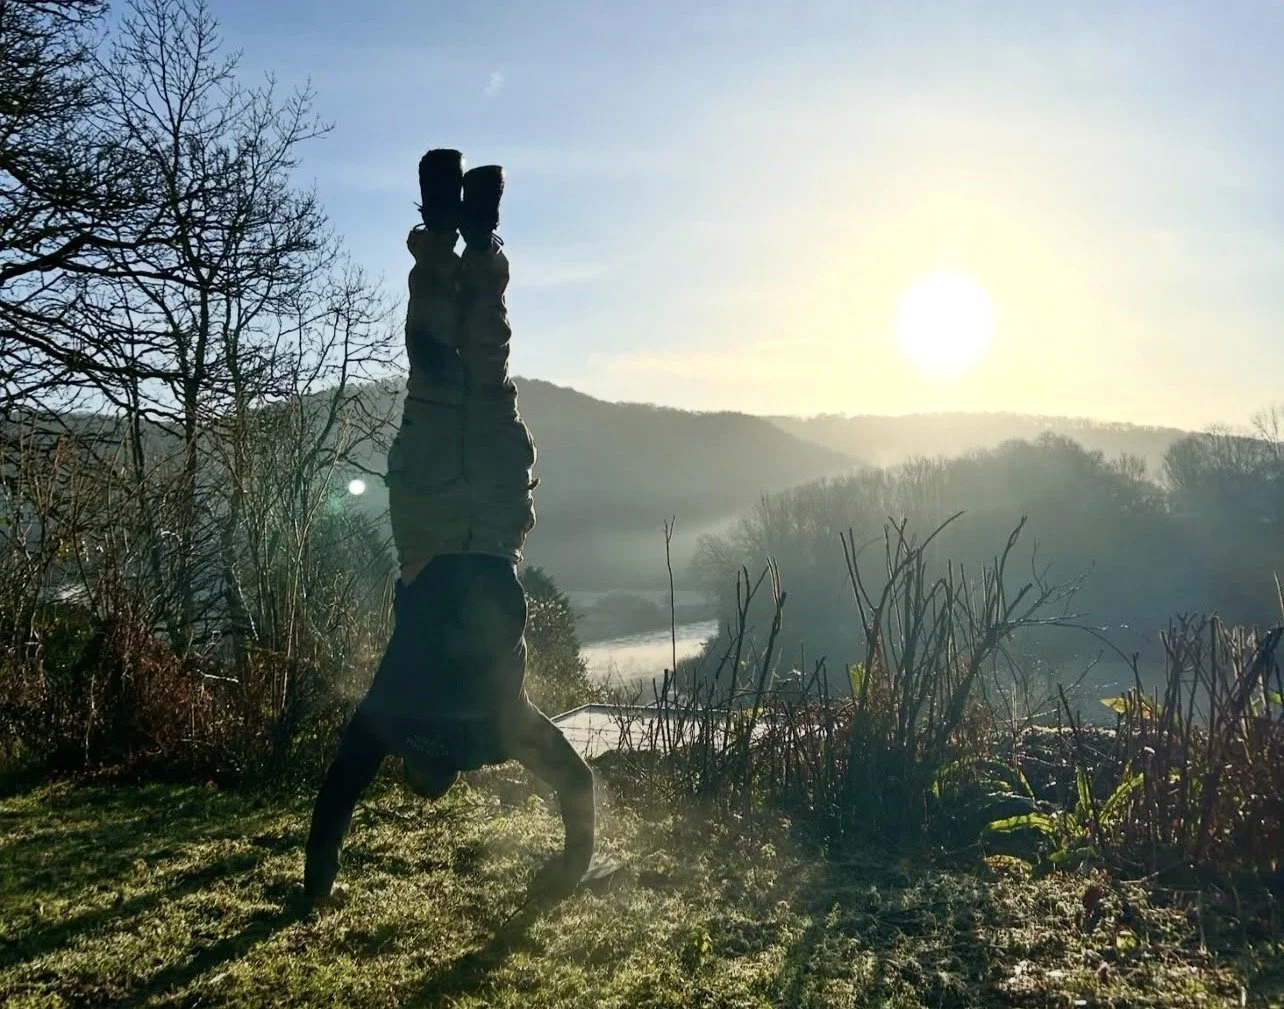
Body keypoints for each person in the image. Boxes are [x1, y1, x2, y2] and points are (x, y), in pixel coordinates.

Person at [303, 149, 603, 908]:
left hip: (495, 524)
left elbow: (578, 781)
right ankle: (442, 231)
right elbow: (335, 799)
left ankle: (482, 240)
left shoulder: (498, 732)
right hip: (434, 527)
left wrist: (566, 866)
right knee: (436, 370)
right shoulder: (389, 718)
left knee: (487, 366)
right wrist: (315, 885)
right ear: (410, 769)